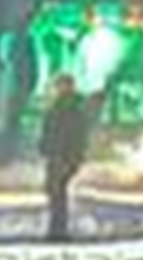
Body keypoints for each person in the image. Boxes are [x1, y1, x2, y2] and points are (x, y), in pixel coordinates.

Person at [37, 70, 100, 242]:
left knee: (57, 193)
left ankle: (57, 230)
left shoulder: (67, 109)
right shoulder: (68, 108)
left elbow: (68, 134)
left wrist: (61, 153)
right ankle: (56, 228)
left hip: (62, 156)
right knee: (56, 192)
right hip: (60, 156)